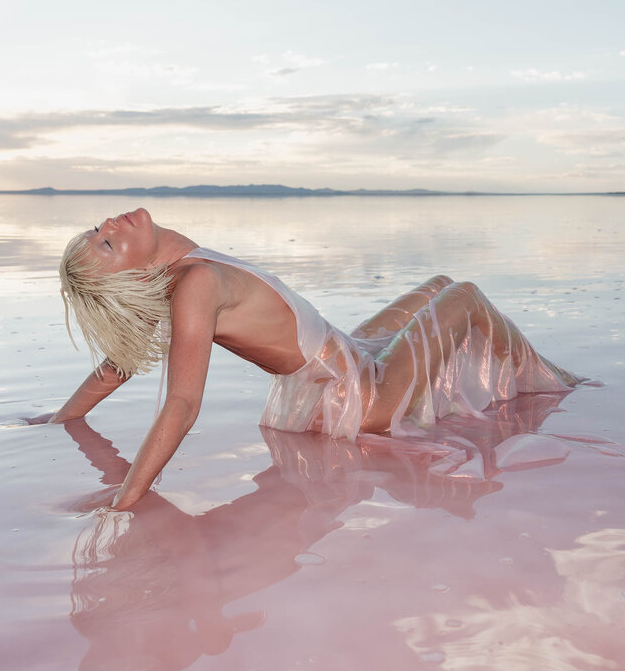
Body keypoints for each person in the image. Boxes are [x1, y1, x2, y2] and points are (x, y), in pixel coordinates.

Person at [49, 207, 581, 510]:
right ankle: (551, 382)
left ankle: (528, 379)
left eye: (99, 234)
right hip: (358, 395)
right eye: (107, 247)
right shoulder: (195, 284)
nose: (110, 227)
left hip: (349, 359)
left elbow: (117, 362)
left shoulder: (178, 276)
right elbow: (183, 403)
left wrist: (62, 419)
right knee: (464, 295)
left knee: (439, 286)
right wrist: (125, 500)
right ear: (135, 277)